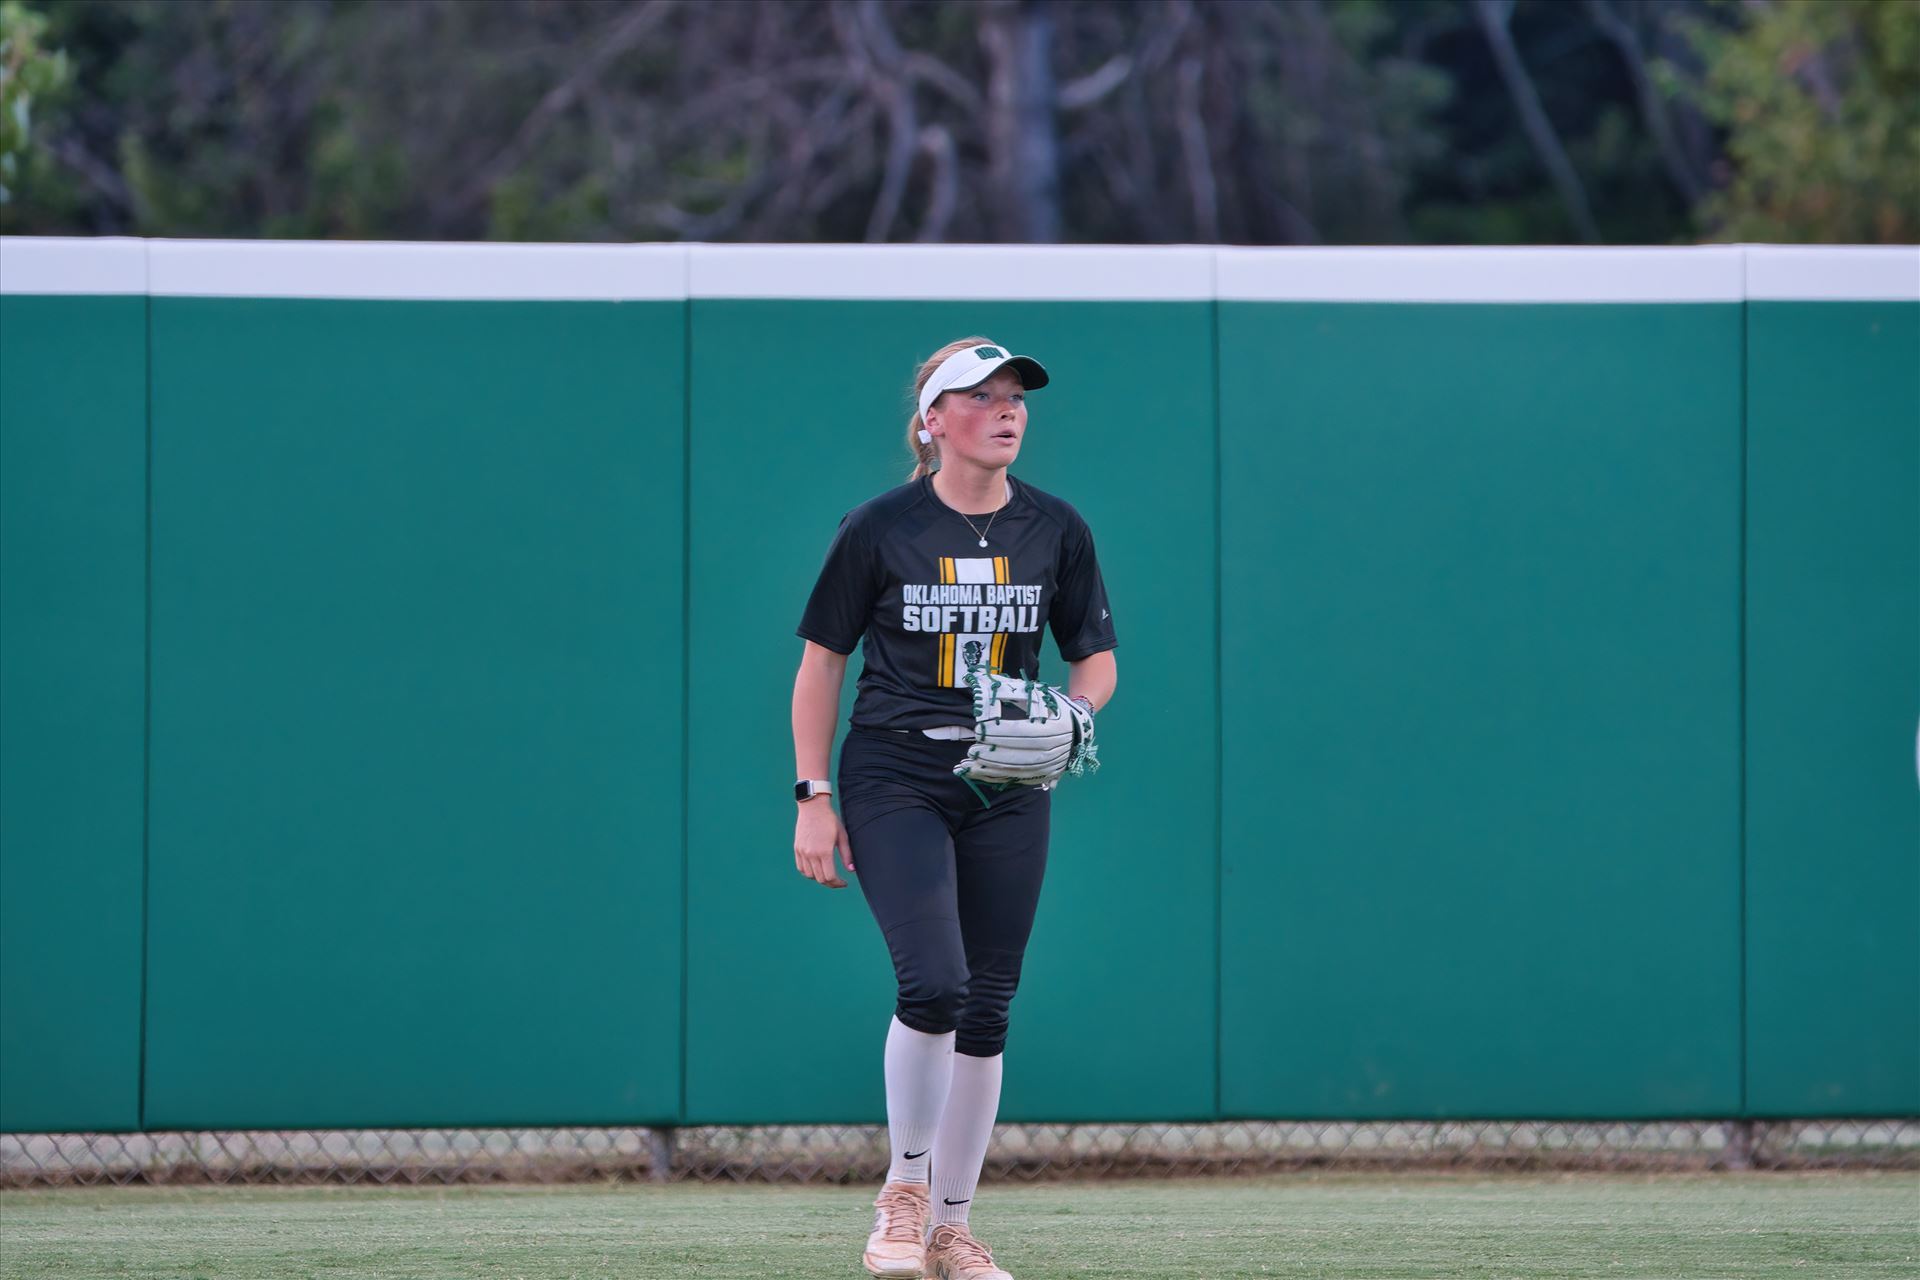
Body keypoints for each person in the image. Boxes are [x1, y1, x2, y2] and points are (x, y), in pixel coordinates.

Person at [790, 337, 1119, 1280]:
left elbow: (1094, 661)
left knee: (988, 1005)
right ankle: (903, 1193)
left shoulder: (1056, 528)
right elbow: (823, 665)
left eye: (1016, 397)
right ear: (933, 422)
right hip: (896, 772)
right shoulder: (880, 526)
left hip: (1009, 784)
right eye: (980, 398)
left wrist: (1068, 711)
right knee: (934, 981)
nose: (1007, 410)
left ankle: (952, 1229)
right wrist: (814, 795)